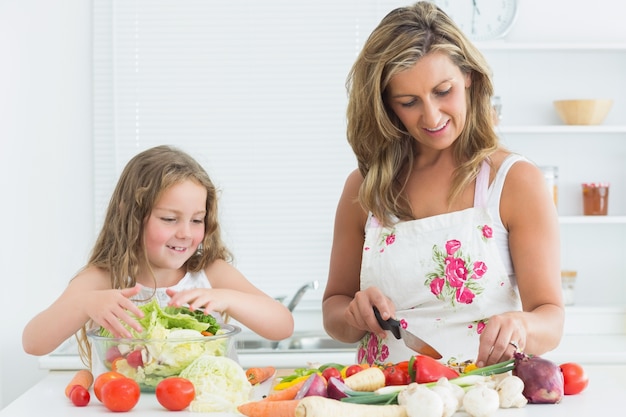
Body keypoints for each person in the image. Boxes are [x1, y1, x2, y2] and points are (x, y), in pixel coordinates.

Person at [322, 1, 563, 369]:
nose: (432, 116)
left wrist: (522, 325)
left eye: (442, 91)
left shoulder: (513, 181)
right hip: (384, 398)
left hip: (483, 396)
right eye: (408, 102)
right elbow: (334, 310)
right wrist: (353, 314)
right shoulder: (365, 188)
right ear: (386, 105)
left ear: (468, 76)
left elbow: (551, 317)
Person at [23, 145, 294, 364]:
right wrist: (84, 304)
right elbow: (34, 342)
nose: (186, 233)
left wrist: (226, 297)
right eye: (169, 219)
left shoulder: (210, 273)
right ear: (130, 215)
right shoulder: (106, 278)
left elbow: (282, 326)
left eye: (197, 220)